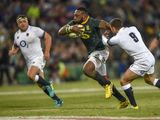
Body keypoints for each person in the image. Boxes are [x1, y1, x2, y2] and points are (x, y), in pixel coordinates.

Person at [58, 7, 129, 109]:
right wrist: (70, 28)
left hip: (101, 51)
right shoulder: (74, 22)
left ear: (84, 15)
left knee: (87, 69)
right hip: (93, 53)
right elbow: (60, 32)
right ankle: (123, 101)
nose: (74, 17)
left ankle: (108, 85)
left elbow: (106, 25)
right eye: (74, 15)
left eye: (77, 15)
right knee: (103, 80)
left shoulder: (92, 22)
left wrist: (108, 32)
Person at [104, 18, 160, 109]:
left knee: (124, 81)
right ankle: (134, 105)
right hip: (150, 57)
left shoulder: (117, 38)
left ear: (113, 28)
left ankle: (134, 106)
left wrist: (104, 36)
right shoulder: (133, 28)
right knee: (149, 79)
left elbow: (106, 43)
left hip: (142, 61)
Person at [9, 15, 63, 107]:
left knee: (30, 75)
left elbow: (48, 37)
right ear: (18, 24)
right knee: (40, 84)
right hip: (29, 61)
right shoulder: (16, 35)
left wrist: (47, 52)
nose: (22, 23)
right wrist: (13, 50)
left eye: (24, 21)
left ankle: (48, 84)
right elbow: (16, 45)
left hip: (38, 57)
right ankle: (57, 100)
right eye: (20, 22)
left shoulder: (35, 30)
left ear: (27, 22)